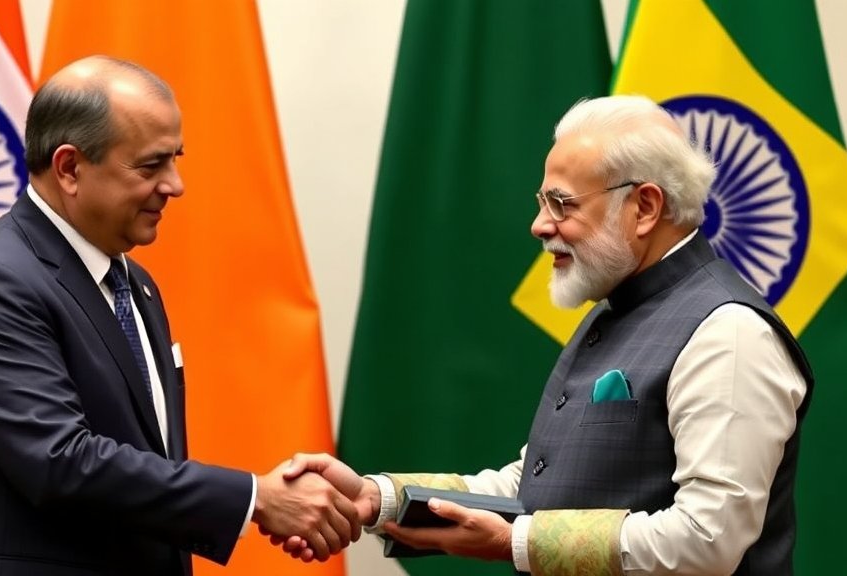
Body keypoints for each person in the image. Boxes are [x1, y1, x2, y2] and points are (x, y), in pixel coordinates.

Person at [279, 95, 812, 575]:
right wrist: (381, 498)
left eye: (562, 204)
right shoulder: (615, 309)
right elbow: (533, 489)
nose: (538, 224)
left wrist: (519, 541)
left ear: (644, 208)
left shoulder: (730, 332)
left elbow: (707, 539)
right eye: (543, 202)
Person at [0, 55, 359, 576]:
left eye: (175, 158)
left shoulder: (136, 285)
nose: (176, 185)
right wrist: (255, 499)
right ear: (70, 168)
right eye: (150, 166)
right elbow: (61, 462)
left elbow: (146, 460)